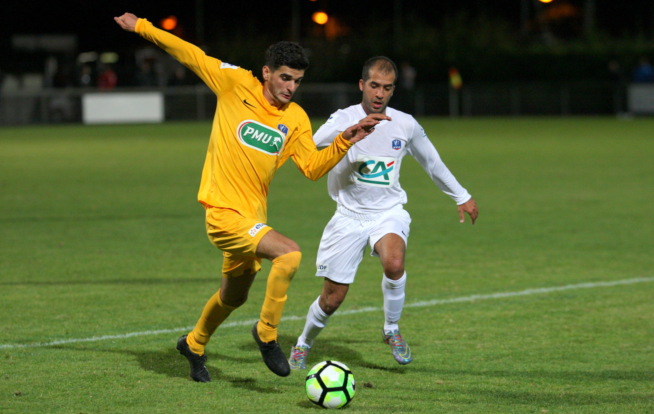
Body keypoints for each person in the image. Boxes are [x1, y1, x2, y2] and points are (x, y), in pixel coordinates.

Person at [114, 13, 387, 381]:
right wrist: (143, 27)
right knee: (289, 254)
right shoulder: (233, 83)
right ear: (266, 72)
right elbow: (190, 53)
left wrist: (346, 139)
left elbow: (311, 167)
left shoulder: (296, 119)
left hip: (251, 217)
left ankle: (193, 344)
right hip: (222, 212)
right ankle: (267, 334)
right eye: (285, 78)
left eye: (298, 81)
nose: (291, 87)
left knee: (233, 296)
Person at [288, 56, 478, 370]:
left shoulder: (405, 124)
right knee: (332, 299)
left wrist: (462, 195)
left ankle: (391, 329)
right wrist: (345, 137)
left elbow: (432, 162)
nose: (379, 94)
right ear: (362, 85)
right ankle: (303, 343)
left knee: (395, 262)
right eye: (374, 86)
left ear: (392, 91)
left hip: (388, 212)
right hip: (348, 216)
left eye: (386, 88)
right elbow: (306, 147)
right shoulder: (342, 119)